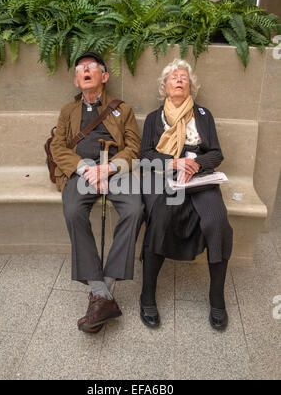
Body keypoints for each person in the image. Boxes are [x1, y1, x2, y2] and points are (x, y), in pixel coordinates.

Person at [51, 52, 144, 334]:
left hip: (114, 170)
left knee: (135, 210)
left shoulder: (123, 109)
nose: (86, 71)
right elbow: (58, 148)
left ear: (104, 77)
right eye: (81, 69)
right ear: (77, 80)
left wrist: (109, 169)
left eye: (92, 67)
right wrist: (83, 168)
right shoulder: (68, 111)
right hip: (81, 172)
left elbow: (134, 148)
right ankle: (100, 293)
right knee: (73, 211)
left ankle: (105, 290)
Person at [139, 59, 233, 331]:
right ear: (165, 87)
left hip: (200, 178)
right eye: (173, 77)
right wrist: (174, 162)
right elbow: (145, 155)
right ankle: (147, 294)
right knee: (160, 217)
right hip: (165, 178)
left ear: (191, 86)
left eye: (184, 77)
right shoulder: (154, 118)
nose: (179, 80)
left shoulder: (203, 115)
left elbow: (216, 153)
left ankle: (217, 298)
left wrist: (197, 164)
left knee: (217, 222)